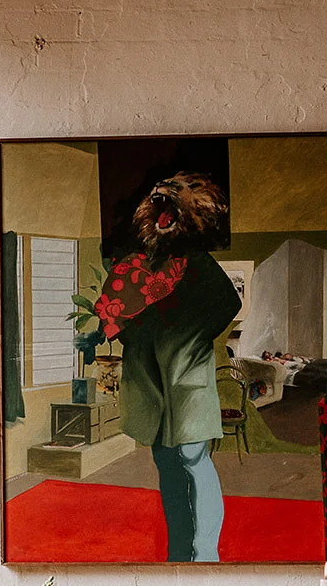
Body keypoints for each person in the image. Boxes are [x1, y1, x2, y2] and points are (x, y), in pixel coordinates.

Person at [95, 172, 241, 562]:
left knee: (194, 458)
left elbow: (228, 304)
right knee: (166, 463)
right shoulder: (139, 262)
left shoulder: (198, 263)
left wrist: (188, 337)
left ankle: (205, 552)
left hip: (187, 377)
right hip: (150, 381)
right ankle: (179, 549)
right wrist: (134, 336)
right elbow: (119, 315)